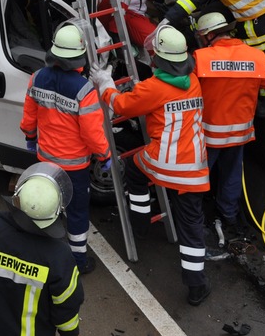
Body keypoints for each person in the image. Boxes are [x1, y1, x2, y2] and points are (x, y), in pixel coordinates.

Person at [89, 25, 211, 305]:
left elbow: (120, 106)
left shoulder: (154, 88)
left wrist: (105, 83)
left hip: (162, 163)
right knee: (191, 227)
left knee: (133, 167)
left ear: (160, 59)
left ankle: (139, 221)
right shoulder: (193, 81)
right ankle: (196, 286)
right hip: (194, 169)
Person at [0, 162, 84, 335]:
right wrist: (71, 333)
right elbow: (66, 305)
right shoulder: (59, 256)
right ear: (55, 212)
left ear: (17, 198)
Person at [20, 24, 110, 273]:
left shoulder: (37, 77)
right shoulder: (84, 89)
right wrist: (105, 154)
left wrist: (30, 136)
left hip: (45, 161)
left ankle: (38, 256)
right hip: (74, 167)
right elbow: (92, 133)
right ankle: (78, 263)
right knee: (77, 214)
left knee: (44, 207)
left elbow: (29, 116)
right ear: (79, 56)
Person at [191, 11, 265, 253]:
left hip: (209, 134)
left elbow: (186, 86)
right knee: (232, 175)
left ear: (209, 35)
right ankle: (229, 215)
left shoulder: (201, 58)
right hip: (240, 133)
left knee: (197, 177)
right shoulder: (257, 57)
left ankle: (194, 216)